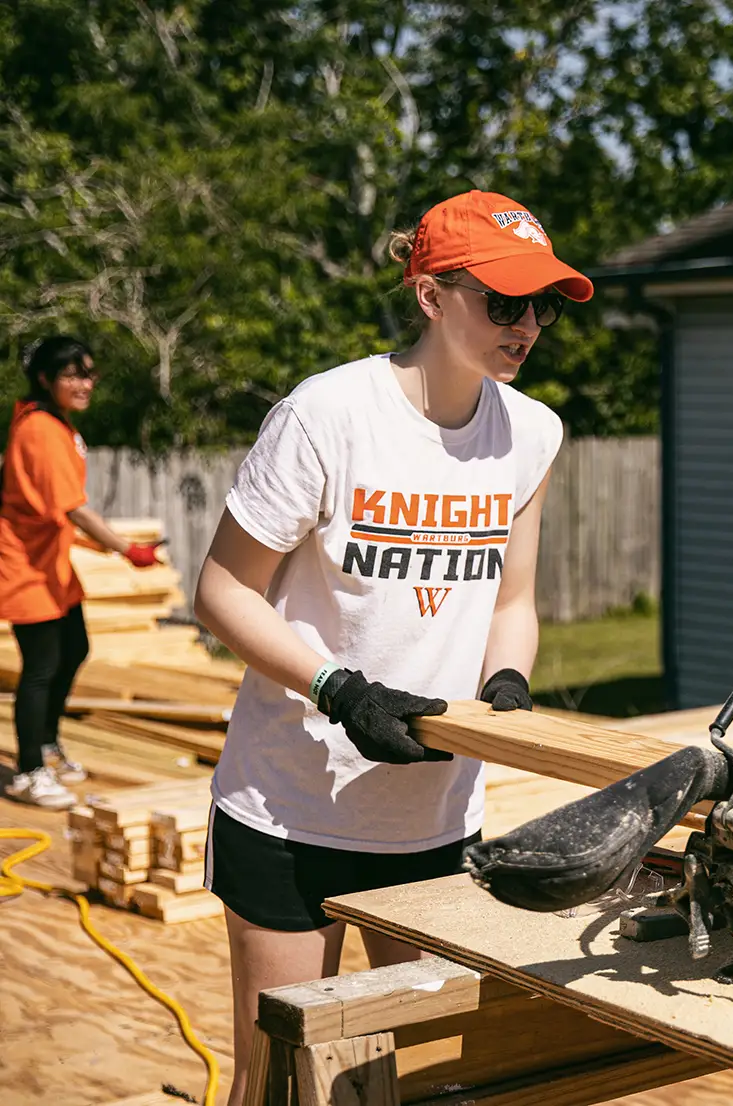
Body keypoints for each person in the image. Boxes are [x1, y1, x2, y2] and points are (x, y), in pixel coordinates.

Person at [194, 191, 588, 1101]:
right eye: (504, 302)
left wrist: (508, 682)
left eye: (545, 305)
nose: (527, 325)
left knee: (403, 1083)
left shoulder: (531, 433)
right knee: (281, 1085)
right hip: (292, 811)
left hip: (437, 823)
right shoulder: (328, 416)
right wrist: (339, 689)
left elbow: (512, 601)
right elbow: (220, 590)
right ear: (431, 296)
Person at [0, 337, 161, 809]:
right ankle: (28, 772)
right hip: (25, 566)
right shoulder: (40, 429)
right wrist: (128, 550)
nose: (84, 383)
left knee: (75, 648)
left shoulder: (54, 422)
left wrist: (101, 545)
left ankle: (46, 743)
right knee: (41, 668)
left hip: (50, 561)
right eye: (71, 374)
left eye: (88, 373)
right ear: (46, 380)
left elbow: (52, 505)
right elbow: (75, 509)